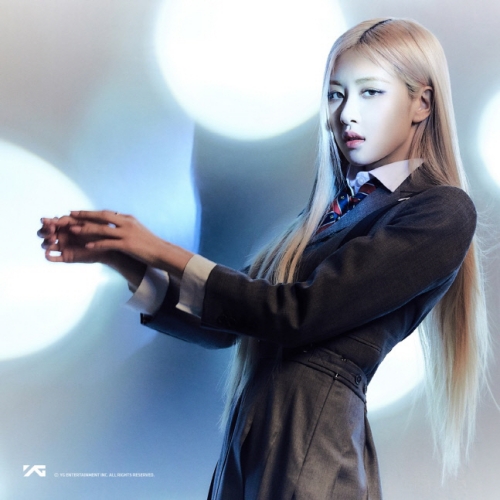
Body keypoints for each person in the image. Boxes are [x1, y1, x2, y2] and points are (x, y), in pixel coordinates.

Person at [38, 18, 488, 500]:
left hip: (310, 434)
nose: (347, 114)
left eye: (370, 93)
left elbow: (296, 314)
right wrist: (122, 257)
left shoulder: (439, 210)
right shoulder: (332, 212)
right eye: (335, 95)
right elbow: (227, 323)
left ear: (422, 103)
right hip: (256, 429)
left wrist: (158, 248)